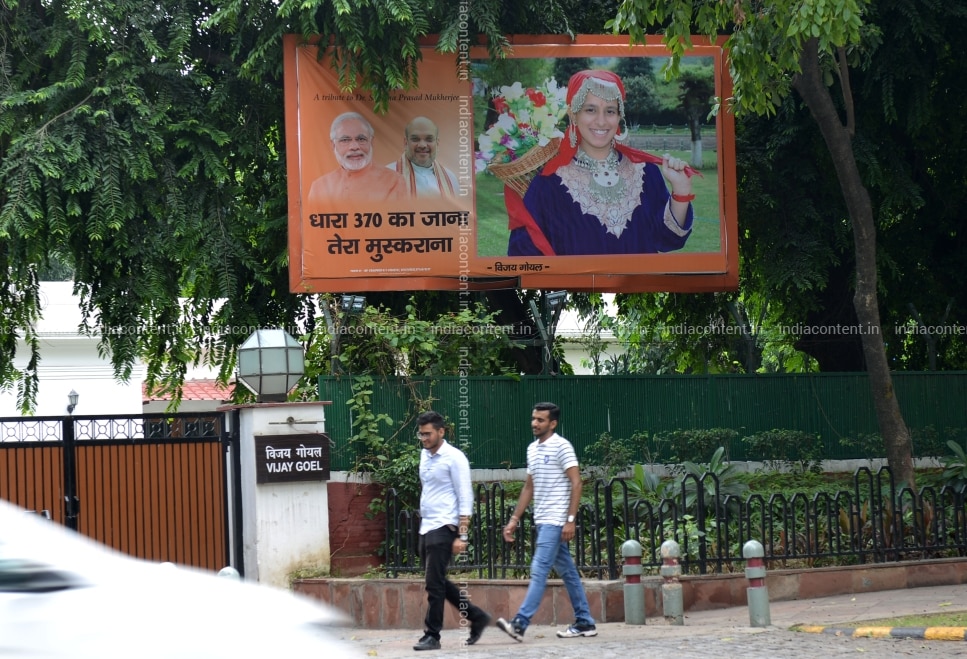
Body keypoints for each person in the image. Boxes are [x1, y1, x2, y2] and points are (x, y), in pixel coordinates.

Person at [506, 69, 700, 256]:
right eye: (590, 110)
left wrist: (681, 193)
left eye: (610, 111)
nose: (601, 121)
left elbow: (666, 240)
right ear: (574, 114)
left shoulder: (646, 173)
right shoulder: (548, 185)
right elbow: (524, 256)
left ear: (619, 117)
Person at [496, 402, 597, 642]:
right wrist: (513, 520)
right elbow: (529, 487)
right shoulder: (532, 449)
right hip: (542, 520)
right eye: (533, 418)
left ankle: (520, 623)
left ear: (552, 423)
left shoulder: (563, 447)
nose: (534, 423)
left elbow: (577, 483)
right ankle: (585, 622)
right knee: (568, 572)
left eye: (540, 420)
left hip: (555, 519)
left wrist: (570, 520)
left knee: (539, 569)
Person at [413, 410, 491, 651]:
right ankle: (476, 616)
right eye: (421, 434)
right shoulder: (425, 455)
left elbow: (465, 496)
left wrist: (462, 534)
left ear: (441, 432)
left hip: (445, 526)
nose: (424, 439)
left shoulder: (455, 457)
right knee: (437, 580)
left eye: (428, 434)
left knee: (433, 585)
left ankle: (432, 635)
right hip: (427, 526)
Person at [307, 112, 408, 206]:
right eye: (345, 140)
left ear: (371, 142)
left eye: (361, 139)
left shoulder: (393, 181)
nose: (354, 146)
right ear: (333, 145)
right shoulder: (319, 187)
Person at [387, 116, 461, 198]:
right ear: (405, 143)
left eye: (429, 139)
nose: (422, 145)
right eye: (415, 139)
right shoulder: (387, 176)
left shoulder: (451, 178)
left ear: (437, 143)